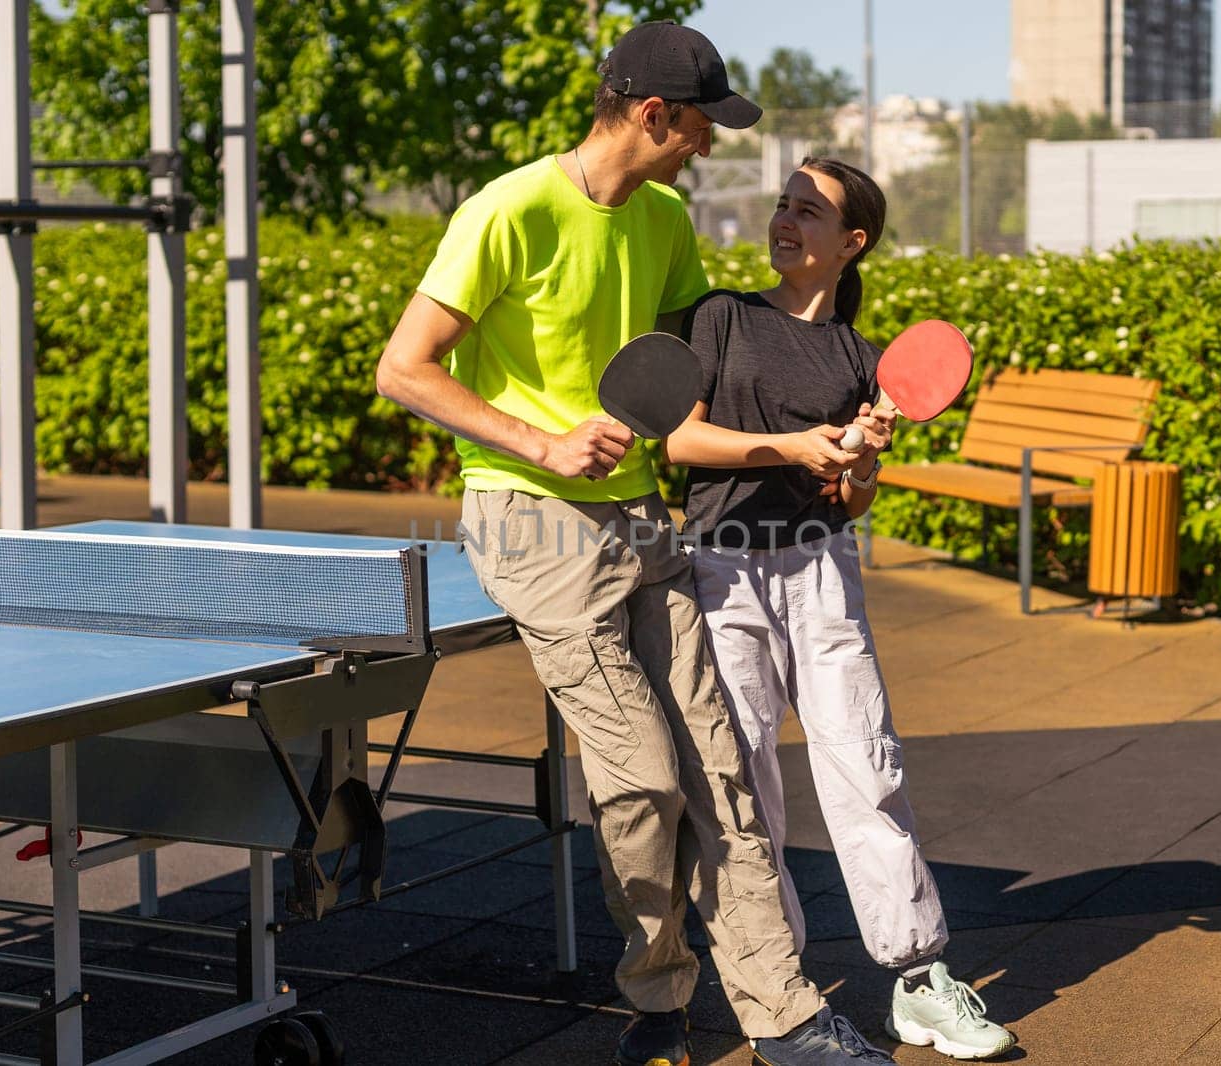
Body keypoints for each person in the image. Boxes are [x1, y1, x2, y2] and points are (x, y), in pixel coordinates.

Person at [377, 23, 893, 1066]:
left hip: (641, 518)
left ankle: (782, 1013)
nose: (710, 144)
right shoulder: (508, 209)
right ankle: (656, 994)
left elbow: (695, 377)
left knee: (721, 773)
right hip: (530, 520)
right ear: (654, 115)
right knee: (643, 779)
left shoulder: (662, 219)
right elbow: (404, 368)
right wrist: (540, 439)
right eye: (702, 123)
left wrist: (832, 430)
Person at [664, 158, 1018, 1061]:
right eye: (783, 204)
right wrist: (786, 443)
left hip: (821, 571)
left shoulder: (859, 355)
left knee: (867, 764)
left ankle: (918, 978)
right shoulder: (722, 316)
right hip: (722, 569)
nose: (785, 220)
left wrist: (858, 462)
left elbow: (850, 500)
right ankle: (776, 978)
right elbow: (679, 437)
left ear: (850, 242)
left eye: (807, 212)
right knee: (741, 782)